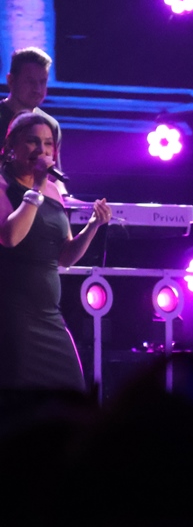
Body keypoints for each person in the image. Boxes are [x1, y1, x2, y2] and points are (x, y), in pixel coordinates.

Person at [0, 111, 111, 393]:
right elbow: (10, 237)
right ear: (11, 147)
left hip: (49, 315)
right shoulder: (3, 185)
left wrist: (93, 226)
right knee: (22, 402)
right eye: (32, 141)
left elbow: (65, 256)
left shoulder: (53, 190)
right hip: (14, 315)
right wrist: (36, 187)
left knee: (72, 393)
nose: (41, 150)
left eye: (48, 143)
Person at [0, 47, 61, 156]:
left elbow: (51, 165)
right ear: (11, 81)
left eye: (42, 82)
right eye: (30, 81)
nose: (37, 89)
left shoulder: (51, 125)